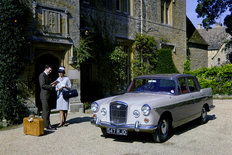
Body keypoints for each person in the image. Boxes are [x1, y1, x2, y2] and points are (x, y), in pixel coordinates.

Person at [39, 64, 57, 130]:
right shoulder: (42, 75)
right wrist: (51, 86)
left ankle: (46, 124)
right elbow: (42, 85)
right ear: (46, 69)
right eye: (50, 70)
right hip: (44, 96)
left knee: (48, 111)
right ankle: (47, 126)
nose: (50, 71)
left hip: (48, 95)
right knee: (46, 111)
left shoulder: (47, 75)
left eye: (51, 70)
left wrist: (53, 84)